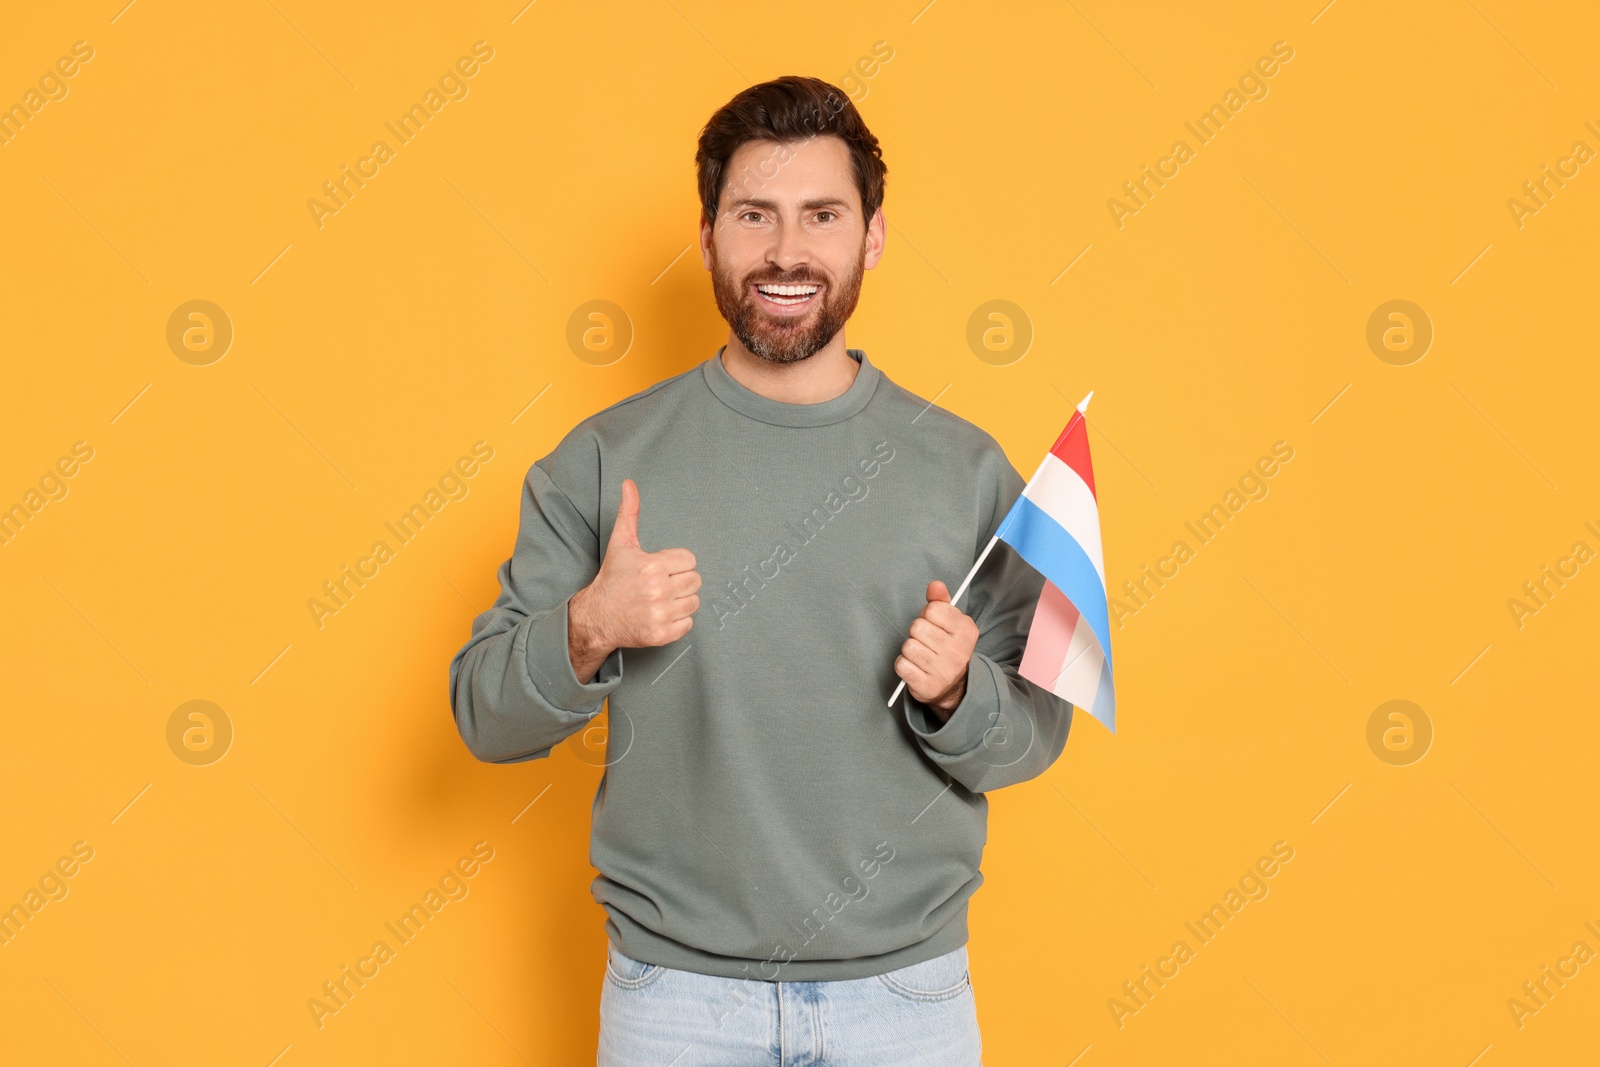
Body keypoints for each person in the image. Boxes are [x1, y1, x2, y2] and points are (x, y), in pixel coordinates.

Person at [447, 74, 1074, 1066]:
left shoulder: (963, 468)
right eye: (754, 215)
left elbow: (1037, 736)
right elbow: (484, 718)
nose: (787, 251)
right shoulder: (604, 458)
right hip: (675, 1005)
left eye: (822, 215)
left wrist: (959, 692)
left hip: (906, 1002)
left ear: (870, 236)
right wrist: (587, 627)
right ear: (706, 237)